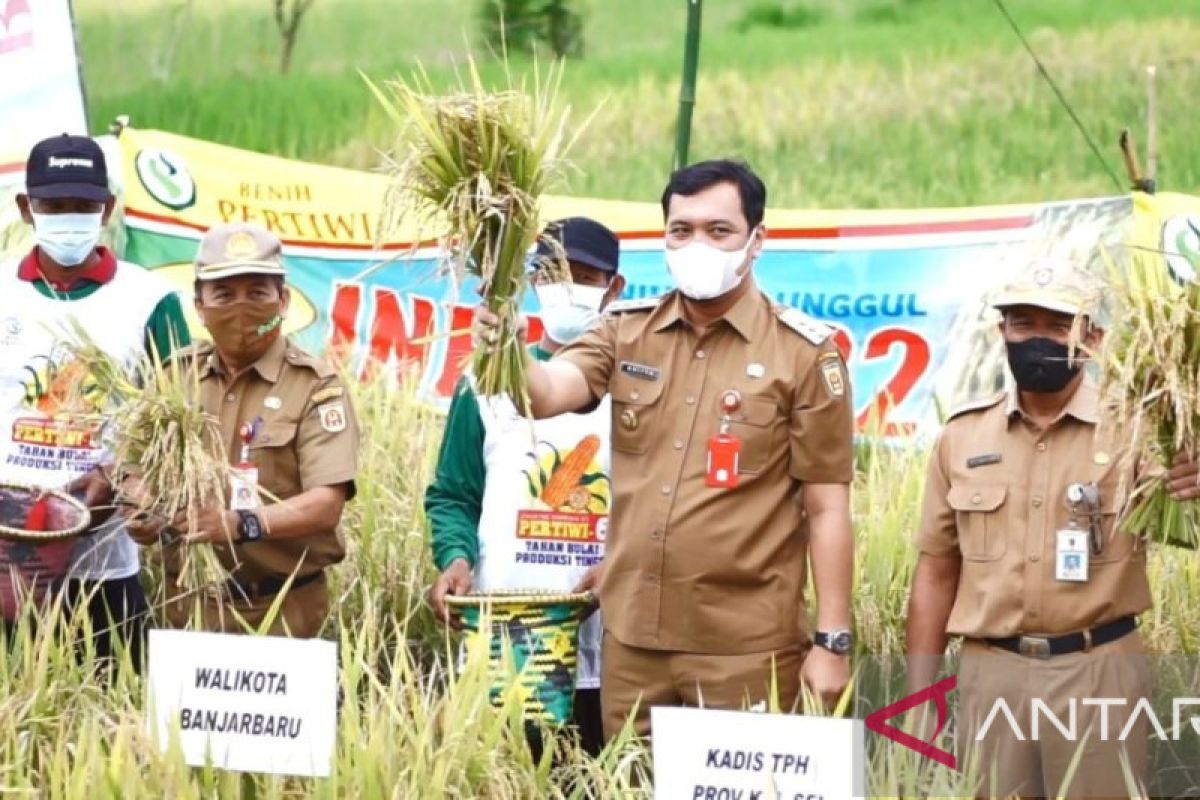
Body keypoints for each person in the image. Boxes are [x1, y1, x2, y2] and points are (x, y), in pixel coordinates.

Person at [473, 159, 855, 739]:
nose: (697, 243)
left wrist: (833, 641)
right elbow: (548, 392)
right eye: (682, 230)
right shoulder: (626, 331)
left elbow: (827, 509)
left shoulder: (803, 353)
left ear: (757, 240)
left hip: (743, 650)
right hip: (634, 647)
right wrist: (506, 342)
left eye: (718, 230)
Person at [905, 257, 1200, 798]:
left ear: (1095, 336)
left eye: (1059, 325)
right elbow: (935, 574)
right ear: (1002, 332)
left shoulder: (1140, 429)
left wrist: (1192, 478)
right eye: (1023, 324)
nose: (1037, 339)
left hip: (1099, 673)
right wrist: (920, 701)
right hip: (991, 675)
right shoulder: (962, 438)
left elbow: (1188, 527)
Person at [427, 216, 625, 756]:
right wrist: (455, 558)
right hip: (505, 636)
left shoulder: (637, 386)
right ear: (533, 279)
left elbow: (663, 504)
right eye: (553, 272)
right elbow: (453, 494)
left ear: (615, 288)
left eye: (584, 274)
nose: (567, 286)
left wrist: (623, 562)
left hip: (608, 646)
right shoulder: (485, 382)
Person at [0, 133, 190, 666]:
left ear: (106, 208)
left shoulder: (149, 300)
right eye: (53, 206)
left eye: (83, 206)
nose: (69, 218)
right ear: (26, 208)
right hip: (6, 550)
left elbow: (177, 420)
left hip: (104, 556)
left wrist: (119, 476)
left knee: (112, 705)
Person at [125, 222, 359, 638]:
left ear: (283, 301)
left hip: (285, 608)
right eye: (224, 294)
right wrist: (145, 510)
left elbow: (326, 504)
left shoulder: (315, 386)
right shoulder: (174, 378)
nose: (241, 308)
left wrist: (239, 524)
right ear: (199, 306)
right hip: (187, 605)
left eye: (257, 293)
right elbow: (134, 471)